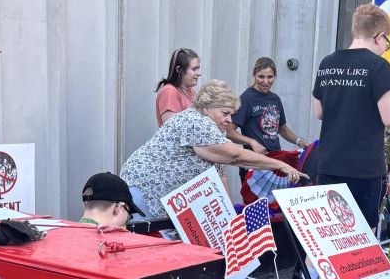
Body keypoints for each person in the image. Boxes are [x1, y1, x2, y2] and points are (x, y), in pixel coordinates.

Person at [312, 3, 390, 228]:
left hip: (329, 164)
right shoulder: (378, 67)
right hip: (363, 168)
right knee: (362, 232)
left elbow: (319, 112)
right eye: (387, 41)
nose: (386, 47)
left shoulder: (327, 63)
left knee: (329, 232)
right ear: (379, 37)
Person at [122, 80, 305, 219]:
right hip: (144, 193)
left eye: (231, 114)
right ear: (206, 108)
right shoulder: (197, 122)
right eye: (225, 113)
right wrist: (280, 165)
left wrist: (230, 217)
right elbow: (235, 156)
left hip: (151, 195)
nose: (229, 120)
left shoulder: (211, 130)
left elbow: (220, 174)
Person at [227, 57, 308, 168]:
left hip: (276, 159)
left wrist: (299, 141)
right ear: (254, 75)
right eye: (261, 76)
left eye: (270, 77)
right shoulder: (247, 98)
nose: (266, 81)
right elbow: (229, 132)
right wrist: (252, 142)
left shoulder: (275, 99)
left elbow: (282, 129)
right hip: (254, 162)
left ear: (275, 76)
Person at [79, 172, 145, 227]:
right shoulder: (113, 239)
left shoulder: (72, 233)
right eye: (128, 218)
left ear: (84, 205)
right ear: (119, 208)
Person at [155, 48, 201, 127]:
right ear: (179, 70)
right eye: (194, 69)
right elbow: (172, 128)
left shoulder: (191, 91)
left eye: (198, 69)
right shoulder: (169, 92)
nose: (199, 73)